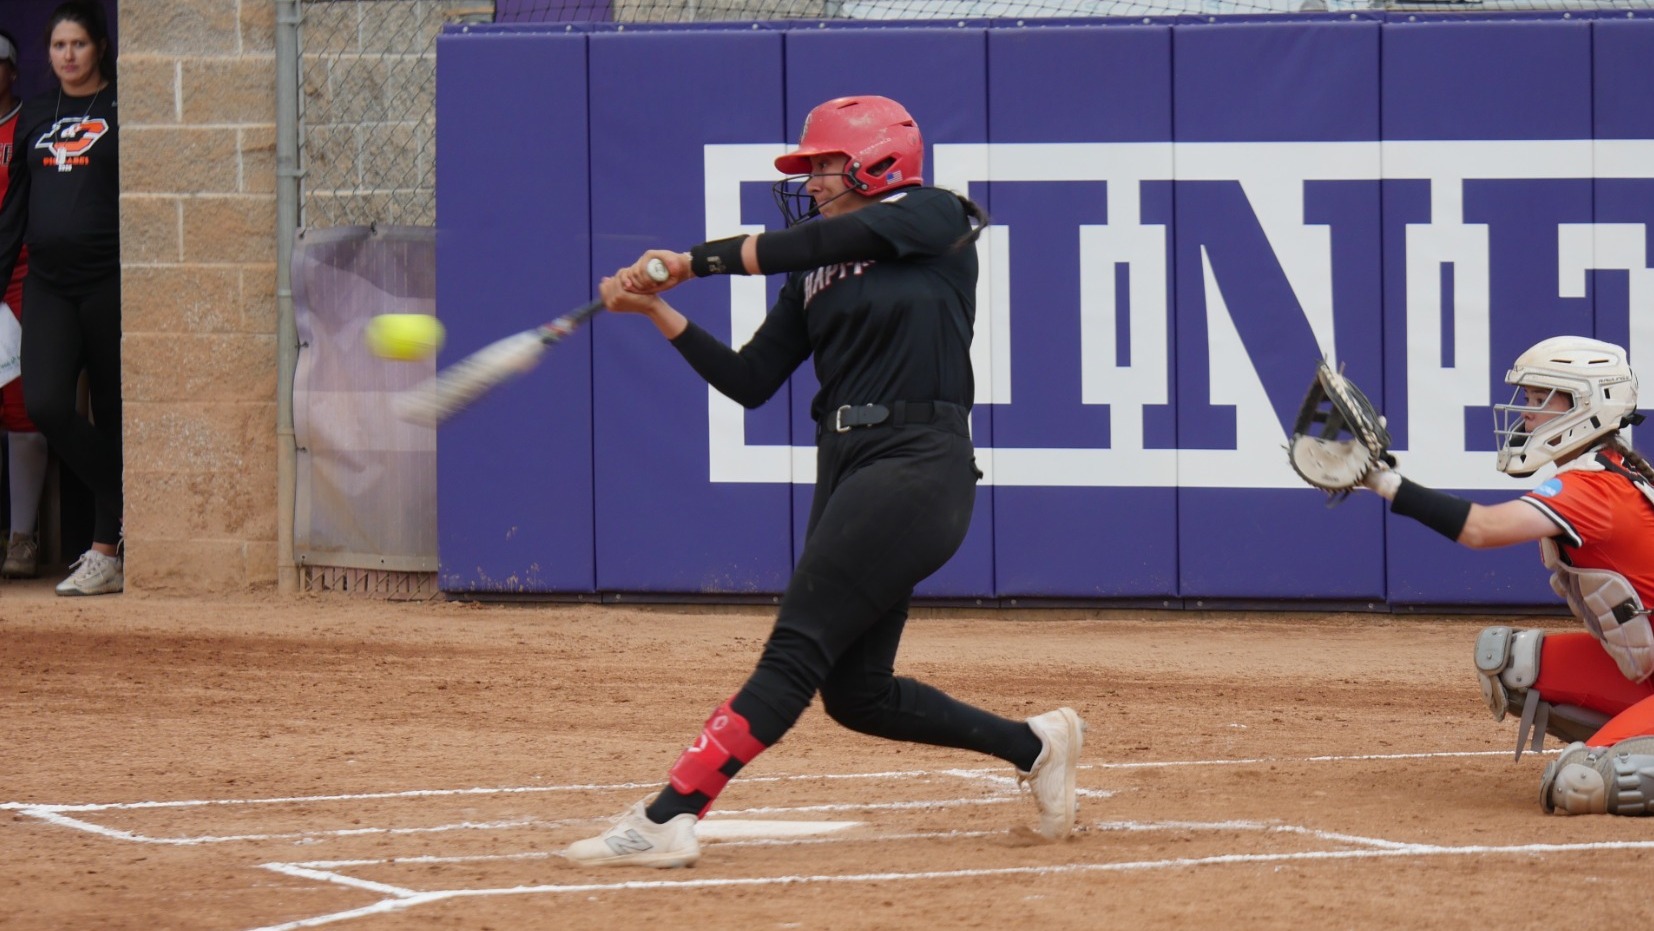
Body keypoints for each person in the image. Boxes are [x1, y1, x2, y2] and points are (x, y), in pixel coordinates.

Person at [563, 95, 1084, 868]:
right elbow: (749, 379)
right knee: (856, 693)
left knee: (793, 652)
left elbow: (819, 237)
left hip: (916, 463)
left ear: (876, 164)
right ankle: (1035, 744)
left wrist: (690, 261)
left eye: (824, 166)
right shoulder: (813, 274)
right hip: (847, 468)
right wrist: (656, 311)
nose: (812, 182)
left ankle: (669, 812)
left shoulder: (933, 216)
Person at [1358, 335, 1654, 815]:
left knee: (1580, 781)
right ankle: (1626, 740)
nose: (1527, 414)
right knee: (1511, 663)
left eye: (1541, 400)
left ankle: (1613, 754)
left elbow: (1481, 529)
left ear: (1588, 406)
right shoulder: (1602, 470)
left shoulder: (1591, 488)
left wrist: (1384, 483)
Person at [0, 1, 123, 595]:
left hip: (107, 281)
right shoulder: (37, 114)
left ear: (99, 46)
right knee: (46, 403)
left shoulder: (122, 110)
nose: (68, 56)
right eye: (57, 46)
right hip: (48, 283)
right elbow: (14, 211)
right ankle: (125, 494)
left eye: (78, 44)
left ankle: (106, 550)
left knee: (113, 409)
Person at [0, 29, 51, 581]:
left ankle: (21, 537)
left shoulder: (30, 124)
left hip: (19, 274)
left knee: (23, 407)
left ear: (13, 71)